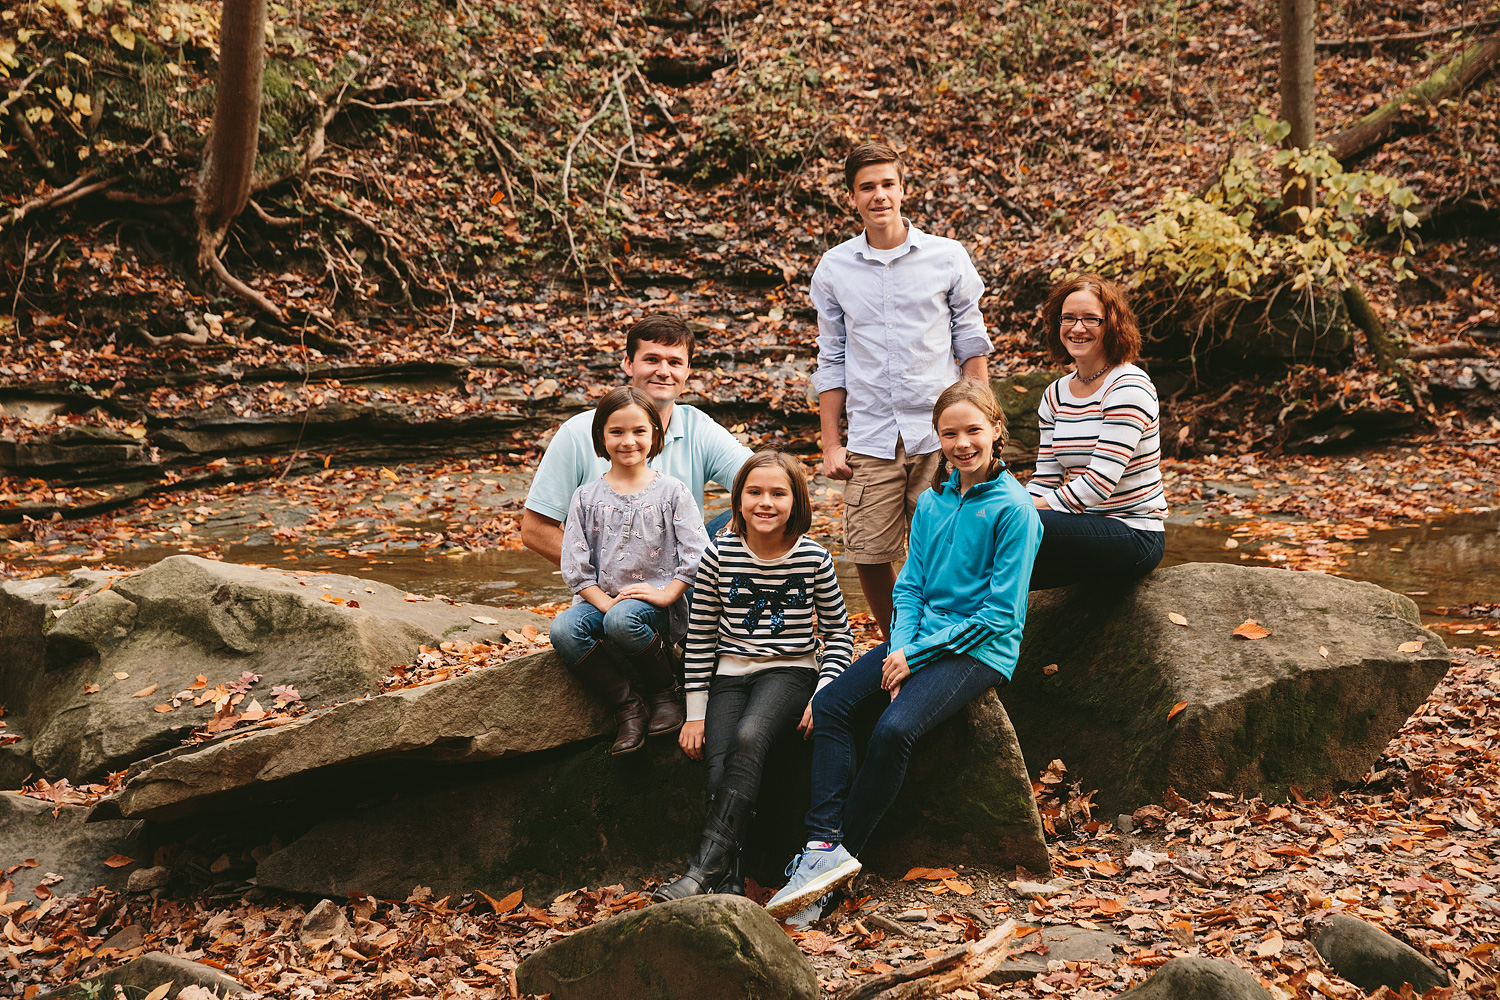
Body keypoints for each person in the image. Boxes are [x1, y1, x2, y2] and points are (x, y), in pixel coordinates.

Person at [765, 381, 1042, 923]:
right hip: (916, 641)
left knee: (894, 729)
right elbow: (911, 587)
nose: (962, 443)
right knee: (832, 706)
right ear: (937, 439)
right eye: (950, 434)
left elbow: (999, 616)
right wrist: (900, 644)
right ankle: (821, 846)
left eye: (973, 431)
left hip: (980, 650)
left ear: (996, 431)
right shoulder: (935, 502)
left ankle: (838, 862)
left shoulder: (1015, 509)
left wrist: (916, 657)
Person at [652, 451, 854, 902]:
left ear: (795, 501)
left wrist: (824, 693)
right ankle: (729, 885)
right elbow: (701, 638)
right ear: (738, 500)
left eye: (778, 493)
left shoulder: (814, 560)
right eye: (755, 492)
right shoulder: (718, 556)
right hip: (729, 675)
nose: (766, 502)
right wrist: (695, 713)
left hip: (791, 672)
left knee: (749, 737)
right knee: (718, 764)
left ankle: (699, 871)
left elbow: (840, 634)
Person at [811, 141, 992, 641]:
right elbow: (832, 359)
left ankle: (946, 636)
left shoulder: (947, 256)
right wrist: (830, 442)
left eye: (888, 184)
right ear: (852, 198)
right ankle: (899, 640)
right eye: (867, 187)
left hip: (942, 434)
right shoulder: (834, 268)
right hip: (872, 436)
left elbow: (970, 342)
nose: (879, 195)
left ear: (903, 189)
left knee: (949, 546)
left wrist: (983, 422)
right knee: (867, 549)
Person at [551, 387, 710, 755]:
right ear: (601, 437)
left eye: (639, 431)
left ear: (655, 435)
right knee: (563, 629)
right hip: (602, 602)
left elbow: (697, 554)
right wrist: (605, 606)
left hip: (656, 605)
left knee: (624, 621)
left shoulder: (672, 492)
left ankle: (664, 692)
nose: (629, 441)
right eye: (617, 432)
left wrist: (668, 593)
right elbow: (575, 566)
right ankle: (628, 706)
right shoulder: (585, 497)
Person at [521, 315, 752, 565]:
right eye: (652, 359)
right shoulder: (577, 433)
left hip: (686, 574)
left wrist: (734, 529)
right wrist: (606, 576)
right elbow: (535, 530)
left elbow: (763, 478)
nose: (663, 372)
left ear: (687, 372)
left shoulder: (698, 428)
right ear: (628, 364)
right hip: (612, 582)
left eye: (674, 362)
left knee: (762, 511)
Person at [1026, 274, 1167, 590]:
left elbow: (1098, 484)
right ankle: (923, 637)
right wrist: (1005, 504)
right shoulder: (1055, 394)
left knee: (1010, 524)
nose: (1077, 328)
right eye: (1069, 319)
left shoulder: (1128, 386)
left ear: (1112, 326)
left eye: (1091, 319)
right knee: (984, 578)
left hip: (1133, 534)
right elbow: (1045, 479)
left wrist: (1011, 509)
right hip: (1079, 528)